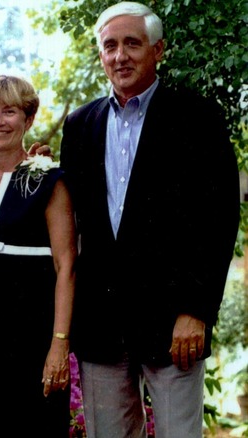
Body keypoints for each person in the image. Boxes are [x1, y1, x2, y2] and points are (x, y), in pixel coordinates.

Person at [60, 3, 240, 437]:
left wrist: (196, 310)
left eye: (132, 44)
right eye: (110, 46)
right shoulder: (80, 125)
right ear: (100, 55)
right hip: (102, 324)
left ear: (158, 50)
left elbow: (219, 219)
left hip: (174, 323)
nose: (120, 55)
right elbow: (73, 217)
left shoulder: (198, 117)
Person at [0, 76, 76, 437]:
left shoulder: (48, 181)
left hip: (30, 340)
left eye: (9, 111)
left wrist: (59, 343)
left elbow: (66, 266)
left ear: (28, 119)